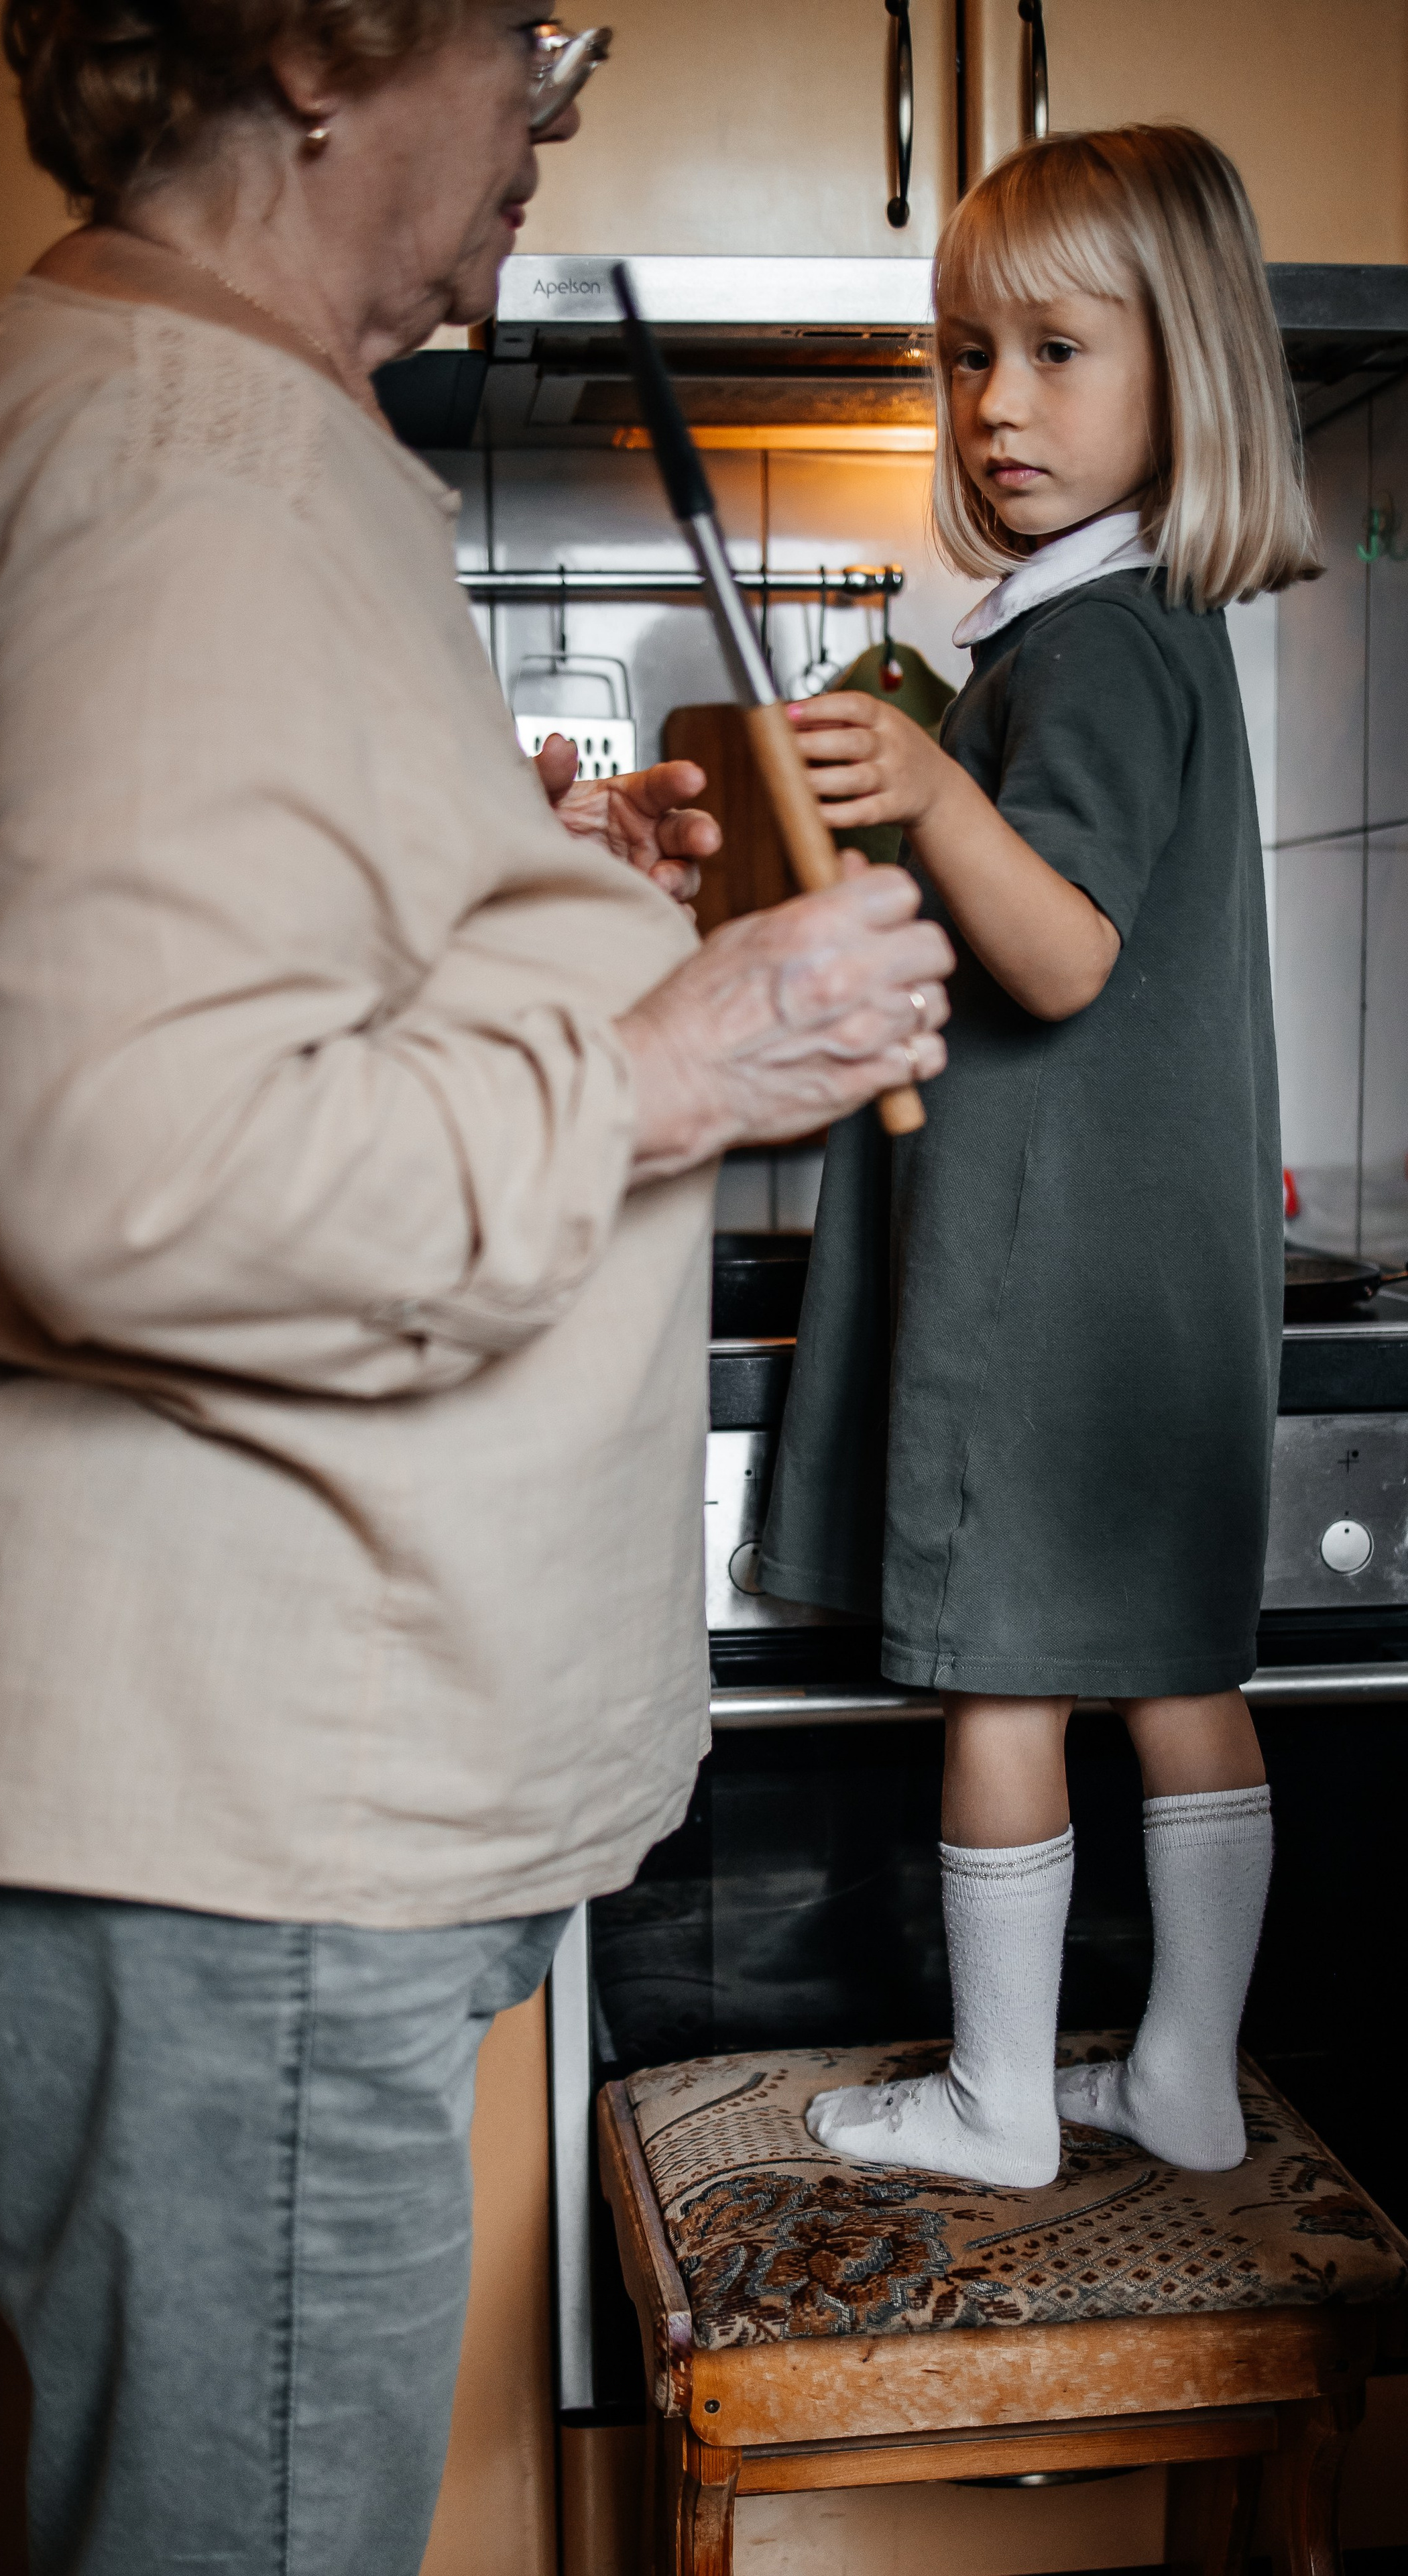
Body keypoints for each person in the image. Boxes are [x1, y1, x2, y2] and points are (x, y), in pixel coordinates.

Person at [0, 5, 953, 2569]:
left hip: (216, 1780)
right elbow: (146, 1170)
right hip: (228, 1798)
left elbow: (224, 1018)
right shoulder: (194, 468)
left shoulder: (165, 410)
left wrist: (561, 937)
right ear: (318, 49)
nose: (556, 107)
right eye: (530, 36)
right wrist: (677, 1057)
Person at [760, 125, 1319, 2190]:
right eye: (966, 354)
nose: (995, 404)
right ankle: (1184, 2074)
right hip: (1158, 1294)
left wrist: (919, 775)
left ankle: (1000, 2102)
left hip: (1051, 1284)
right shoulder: (1135, 631)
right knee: (1178, 1675)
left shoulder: (1084, 647)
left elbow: (1063, 951)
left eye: (1057, 352)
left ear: (1184, 374)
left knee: (1001, 1686)